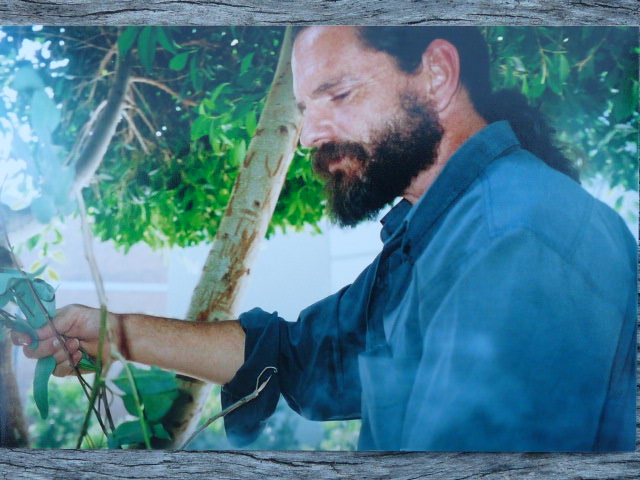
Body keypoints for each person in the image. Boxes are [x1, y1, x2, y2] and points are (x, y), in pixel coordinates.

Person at [11, 26, 636, 451]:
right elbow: (299, 355)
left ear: (437, 74)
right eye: (306, 107)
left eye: (338, 93)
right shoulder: (433, 231)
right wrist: (114, 331)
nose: (311, 134)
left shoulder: (514, 239)